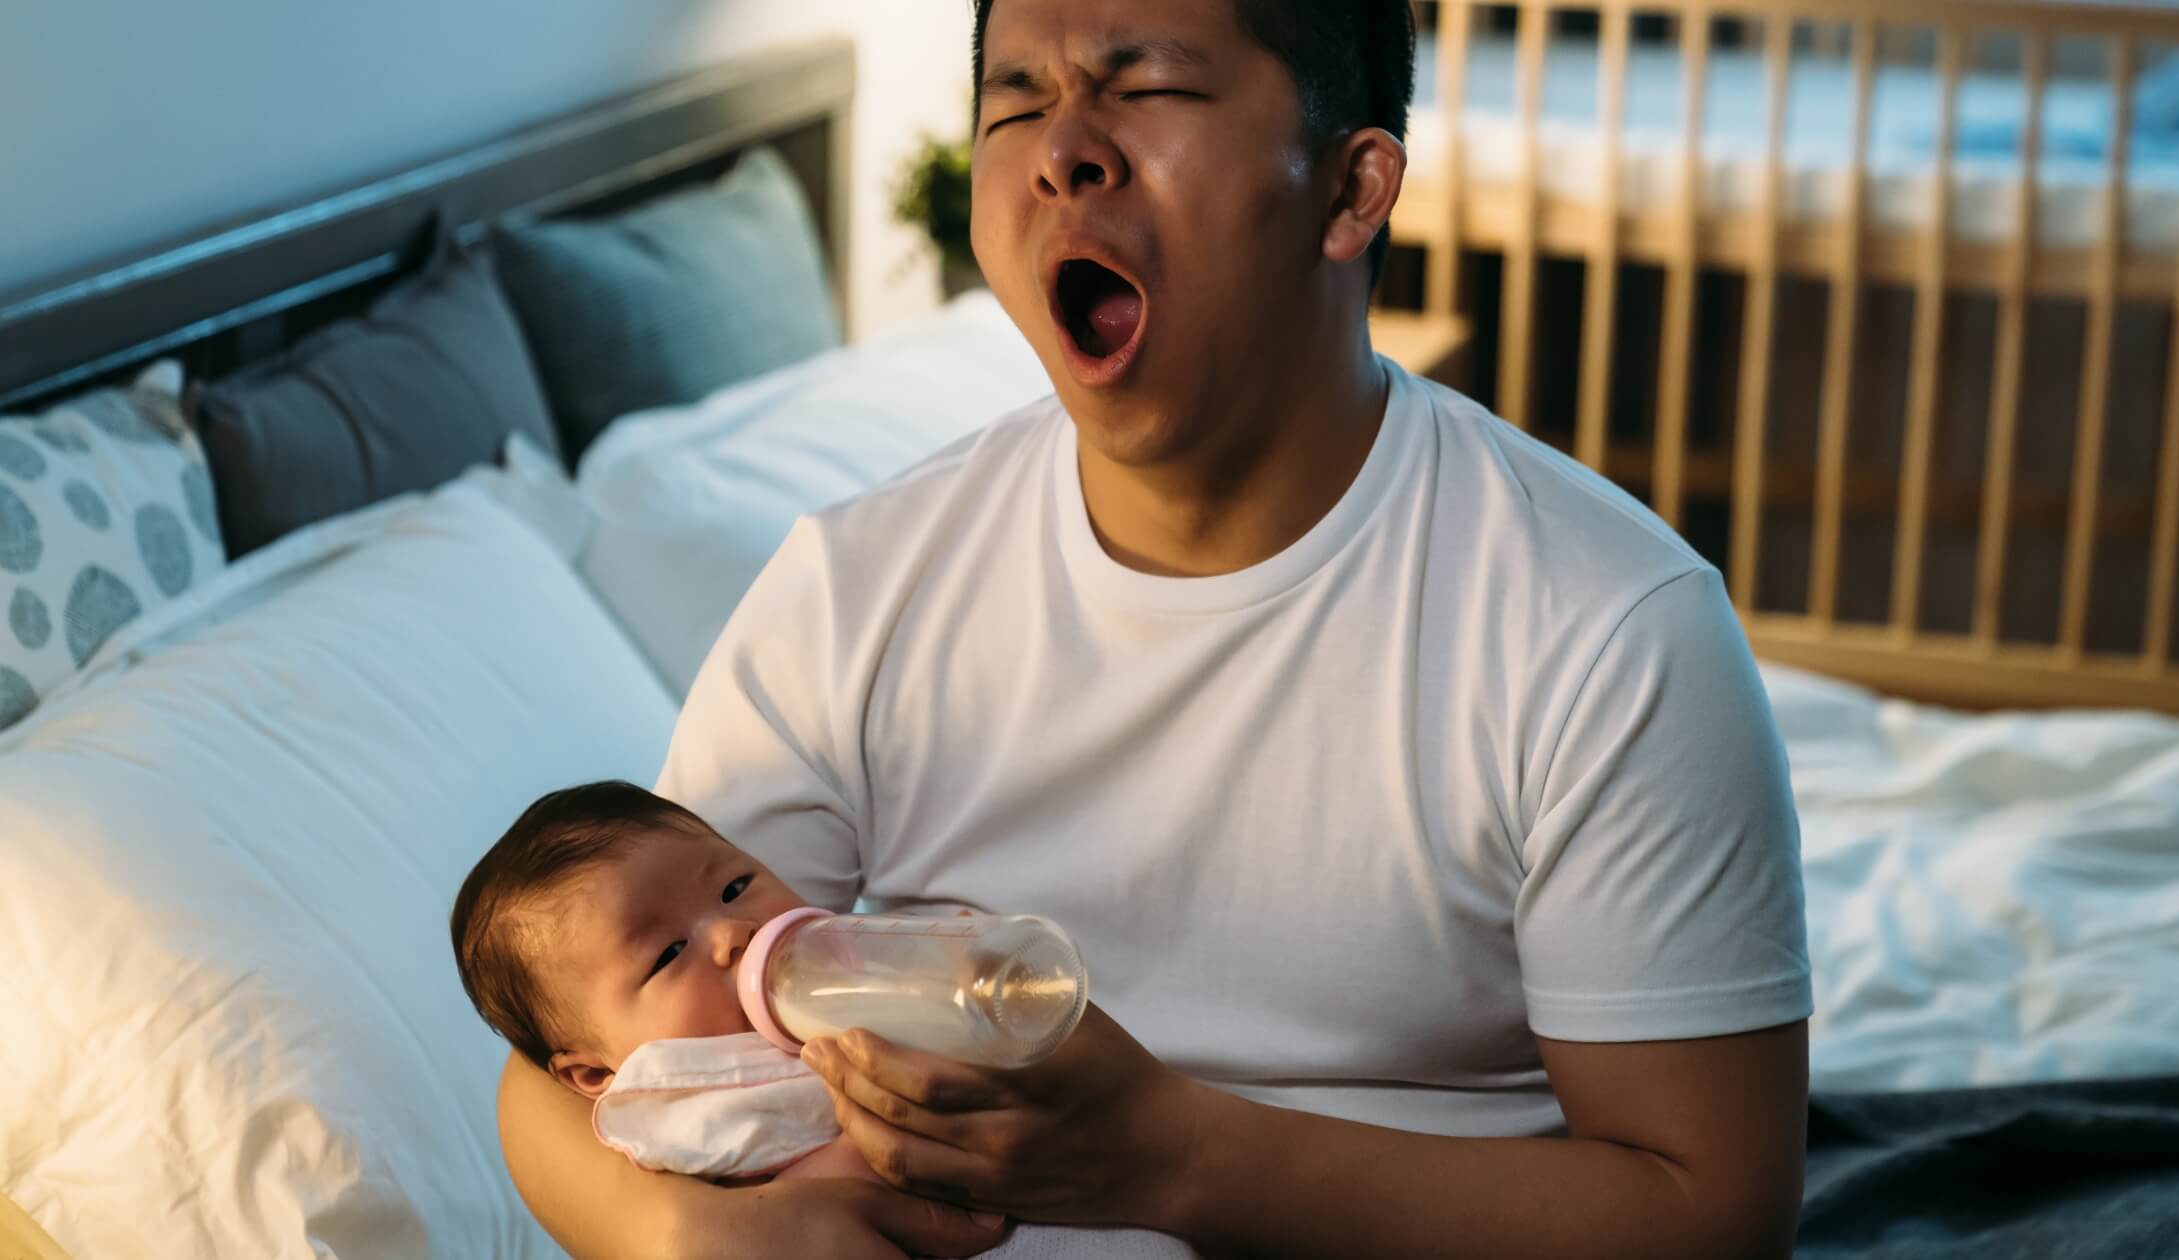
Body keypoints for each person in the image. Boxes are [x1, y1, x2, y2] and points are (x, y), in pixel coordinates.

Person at [495, 1, 1814, 1256]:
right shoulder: (858, 590)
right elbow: (570, 1062)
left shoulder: (1606, 630)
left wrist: (1174, 1157)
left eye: (1152, 85)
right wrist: (677, 1237)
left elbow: (1709, 1216)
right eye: (1017, 98)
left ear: (1351, 189)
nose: (1064, 151)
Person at [449, 781, 878, 1185]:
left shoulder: (856, 971)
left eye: (735, 887)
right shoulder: (680, 1118)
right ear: (595, 1072)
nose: (732, 933)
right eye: (669, 954)